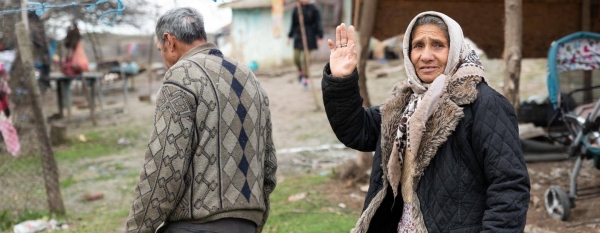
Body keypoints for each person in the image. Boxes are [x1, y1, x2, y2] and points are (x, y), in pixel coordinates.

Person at [322, 12, 530, 233]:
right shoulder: (405, 103)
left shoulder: (485, 105)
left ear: (455, 50)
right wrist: (341, 79)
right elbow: (357, 131)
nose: (426, 55)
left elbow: (509, 187)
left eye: (438, 45)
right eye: (418, 46)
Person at [126, 7, 277, 233]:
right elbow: (269, 165)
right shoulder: (249, 78)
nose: (164, 57)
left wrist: (137, 229)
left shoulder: (182, 76)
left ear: (169, 41)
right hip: (247, 224)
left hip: (195, 226)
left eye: (160, 49)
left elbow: (164, 168)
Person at [287, 0, 323, 88]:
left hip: (310, 36)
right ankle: (301, 72)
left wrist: (320, 36)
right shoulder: (297, 9)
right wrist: (289, 36)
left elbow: (318, 23)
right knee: (296, 58)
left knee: (306, 59)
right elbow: (293, 24)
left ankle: (306, 79)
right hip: (298, 36)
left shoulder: (314, 9)